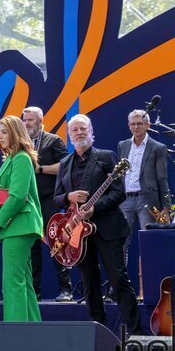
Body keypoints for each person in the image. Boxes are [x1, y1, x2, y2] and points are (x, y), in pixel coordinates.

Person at [53, 115, 143, 334]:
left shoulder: (106, 157)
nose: (79, 133)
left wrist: (96, 207)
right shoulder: (65, 163)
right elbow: (56, 198)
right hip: (78, 234)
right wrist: (69, 197)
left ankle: (136, 333)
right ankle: (98, 332)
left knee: (118, 279)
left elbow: (119, 192)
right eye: (74, 130)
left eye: (83, 129)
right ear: (69, 135)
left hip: (107, 228)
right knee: (89, 283)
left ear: (91, 131)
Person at [0, 116, 42, 322]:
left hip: (19, 225)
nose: (0, 137)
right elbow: (4, 196)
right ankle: (32, 330)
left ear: (16, 133)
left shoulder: (21, 158)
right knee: (23, 280)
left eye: (5, 132)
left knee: (12, 281)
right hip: (16, 225)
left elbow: (17, 196)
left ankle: (15, 332)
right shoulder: (11, 159)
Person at [21, 106, 71, 301]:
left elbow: (65, 166)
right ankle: (35, 291)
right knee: (32, 247)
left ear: (41, 121)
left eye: (31, 120)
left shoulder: (53, 140)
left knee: (57, 243)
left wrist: (39, 169)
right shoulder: (21, 144)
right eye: (25, 120)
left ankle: (66, 289)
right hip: (29, 202)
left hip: (48, 199)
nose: (27, 124)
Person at [117, 110, 171, 265]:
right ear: (128, 126)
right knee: (121, 243)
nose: (136, 127)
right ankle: (121, 285)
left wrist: (166, 207)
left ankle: (150, 283)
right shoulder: (123, 145)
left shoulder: (158, 147)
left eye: (140, 124)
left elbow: (162, 179)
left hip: (146, 199)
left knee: (148, 242)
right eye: (133, 124)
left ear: (148, 125)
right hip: (126, 198)